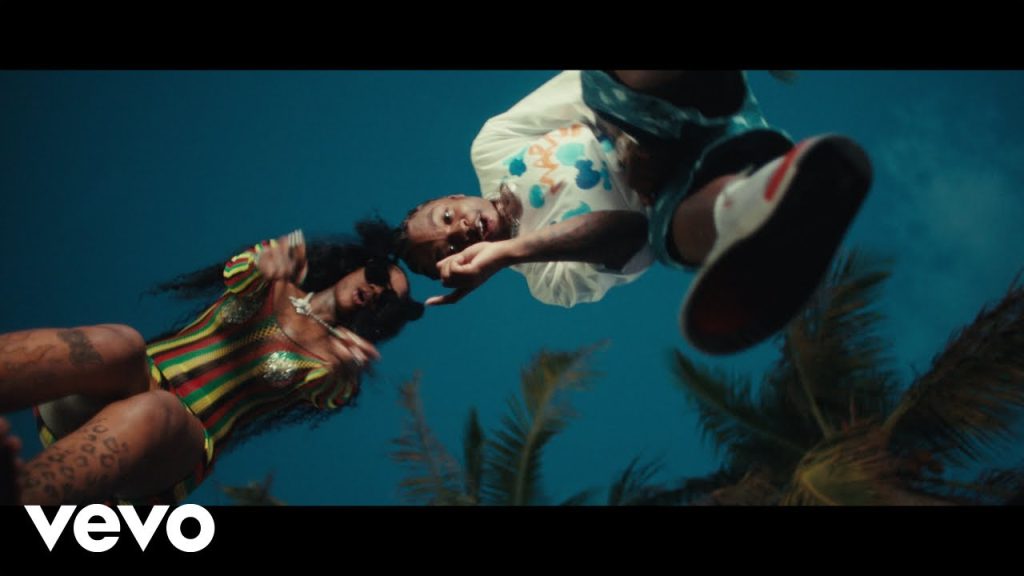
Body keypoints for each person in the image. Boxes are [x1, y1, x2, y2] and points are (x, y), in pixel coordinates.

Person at [395, 70, 870, 355]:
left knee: (606, 81)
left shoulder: (492, 148)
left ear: (450, 196)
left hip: (673, 109)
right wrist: (509, 252)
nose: (461, 231)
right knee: (665, 235)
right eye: (451, 247)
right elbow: (629, 235)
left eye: (446, 219)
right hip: (708, 172)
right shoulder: (545, 281)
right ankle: (755, 206)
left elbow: (581, 89)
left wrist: (629, 145)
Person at [0, 218, 423, 505]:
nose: (377, 291)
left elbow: (332, 393)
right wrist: (264, 262)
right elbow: (238, 274)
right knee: (121, 342)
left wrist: (346, 369)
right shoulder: (277, 282)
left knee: (159, 410)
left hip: (173, 445)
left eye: (388, 301)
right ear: (358, 265)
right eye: (378, 276)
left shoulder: (335, 361)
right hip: (113, 388)